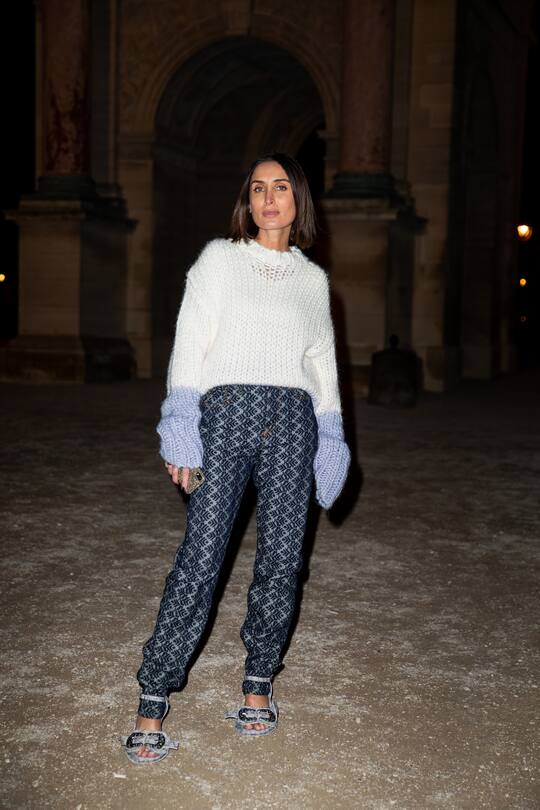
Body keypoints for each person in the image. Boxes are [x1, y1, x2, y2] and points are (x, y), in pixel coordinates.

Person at [120, 153, 350, 764]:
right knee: (202, 555)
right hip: (224, 415)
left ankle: (258, 682)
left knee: (282, 561)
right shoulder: (218, 260)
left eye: (281, 187)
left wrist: (332, 438)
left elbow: (323, 367)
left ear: (299, 200)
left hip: (294, 423)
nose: (269, 199)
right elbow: (189, 344)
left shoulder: (313, 281)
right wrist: (180, 423)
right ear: (247, 202)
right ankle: (153, 694)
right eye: (258, 189)